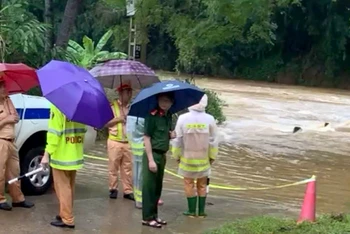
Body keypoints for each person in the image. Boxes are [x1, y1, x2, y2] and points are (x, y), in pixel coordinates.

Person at [172, 94, 218, 218]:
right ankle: (201, 212)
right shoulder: (210, 119)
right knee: (202, 184)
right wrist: (212, 157)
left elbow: (177, 140)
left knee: (189, 184)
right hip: (204, 159)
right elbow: (213, 141)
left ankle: (191, 211)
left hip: (187, 159)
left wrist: (176, 155)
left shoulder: (182, 118)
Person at [41, 104, 87, 228]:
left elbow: (54, 133)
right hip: (75, 154)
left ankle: (67, 218)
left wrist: (46, 154)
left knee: (63, 189)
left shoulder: (57, 106)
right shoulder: (79, 107)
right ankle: (65, 213)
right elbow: (84, 130)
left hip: (61, 155)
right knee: (70, 188)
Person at [142, 92, 176, 228]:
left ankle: (154, 215)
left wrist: (171, 135)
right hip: (153, 154)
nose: (164, 103)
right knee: (149, 187)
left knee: (157, 188)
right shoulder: (152, 116)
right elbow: (147, 138)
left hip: (162, 155)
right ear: (158, 100)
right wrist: (150, 160)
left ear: (172, 103)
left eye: (167, 101)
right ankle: (147, 217)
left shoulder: (169, 116)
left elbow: (164, 134)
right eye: (162, 100)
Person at [0, 80, 34, 211]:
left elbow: (16, 116)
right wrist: (6, 120)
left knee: (15, 172)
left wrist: (15, 117)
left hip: (11, 141)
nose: (5, 90)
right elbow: (8, 119)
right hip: (1, 141)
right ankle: (1, 199)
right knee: (0, 173)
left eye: (5, 87)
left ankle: (18, 199)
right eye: (2, 88)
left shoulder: (8, 100)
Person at [126, 116, 164, 209]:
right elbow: (150, 134)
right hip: (145, 149)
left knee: (137, 174)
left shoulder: (131, 115)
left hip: (135, 148)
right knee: (144, 176)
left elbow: (128, 132)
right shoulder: (148, 117)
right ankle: (143, 199)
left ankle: (138, 199)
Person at [105, 83, 134, 200]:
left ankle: (128, 191)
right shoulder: (112, 107)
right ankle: (113, 189)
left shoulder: (132, 108)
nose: (130, 95)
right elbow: (105, 123)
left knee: (127, 168)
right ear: (121, 93)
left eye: (130, 92)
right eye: (128, 92)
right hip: (114, 141)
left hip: (128, 141)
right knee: (113, 167)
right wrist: (119, 119)